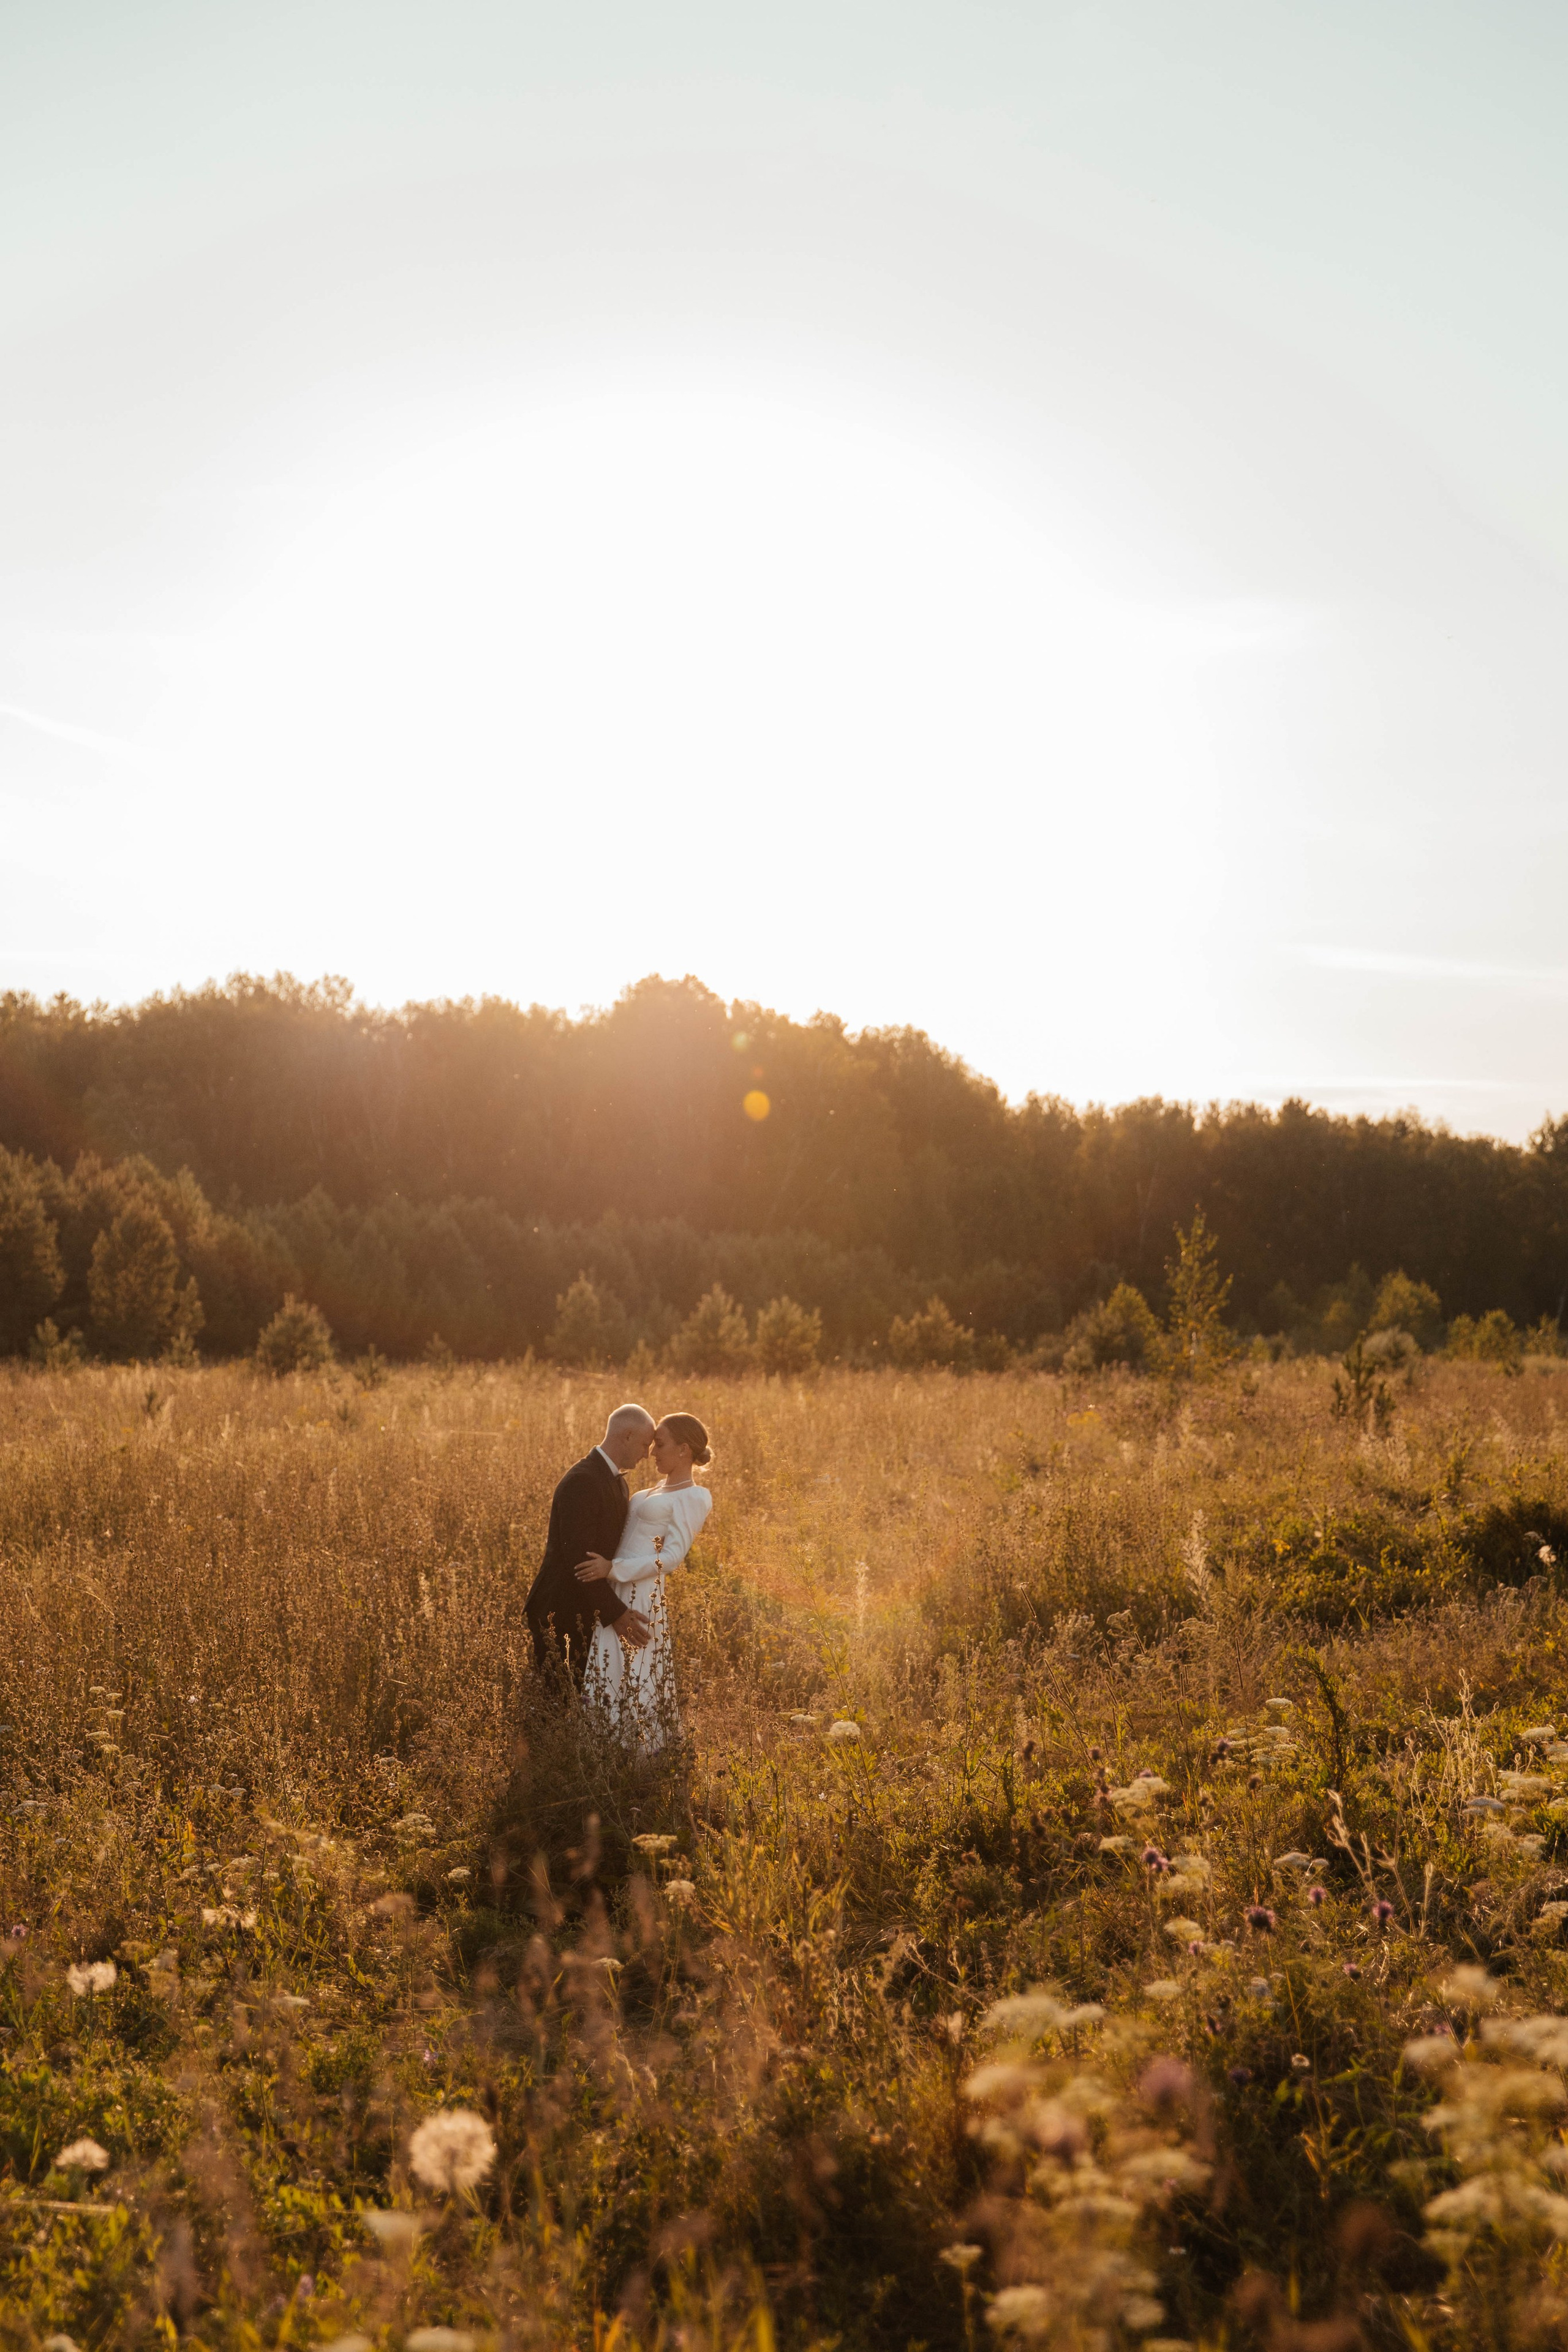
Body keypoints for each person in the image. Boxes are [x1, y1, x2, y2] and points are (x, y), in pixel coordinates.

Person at [576, 1411, 714, 1750]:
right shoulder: (651, 1490)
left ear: (684, 1450)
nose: (652, 1452)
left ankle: (644, 1758)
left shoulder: (694, 1497)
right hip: (614, 1585)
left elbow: (671, 1559)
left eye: (661, 1445)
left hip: (641, 1591)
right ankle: (602, 1751)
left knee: (637, 1672)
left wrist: (615, 1569)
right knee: (606, 1668)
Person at [525, 1403, 655, 1687]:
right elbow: (580, 1561)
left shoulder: (617, 1482)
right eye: (645, 1444)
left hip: (584, 1608)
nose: (648, 1454)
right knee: (557, 1701)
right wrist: (617, 1614)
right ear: (628, 1436)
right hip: (560, 1611)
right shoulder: (583, 1481)